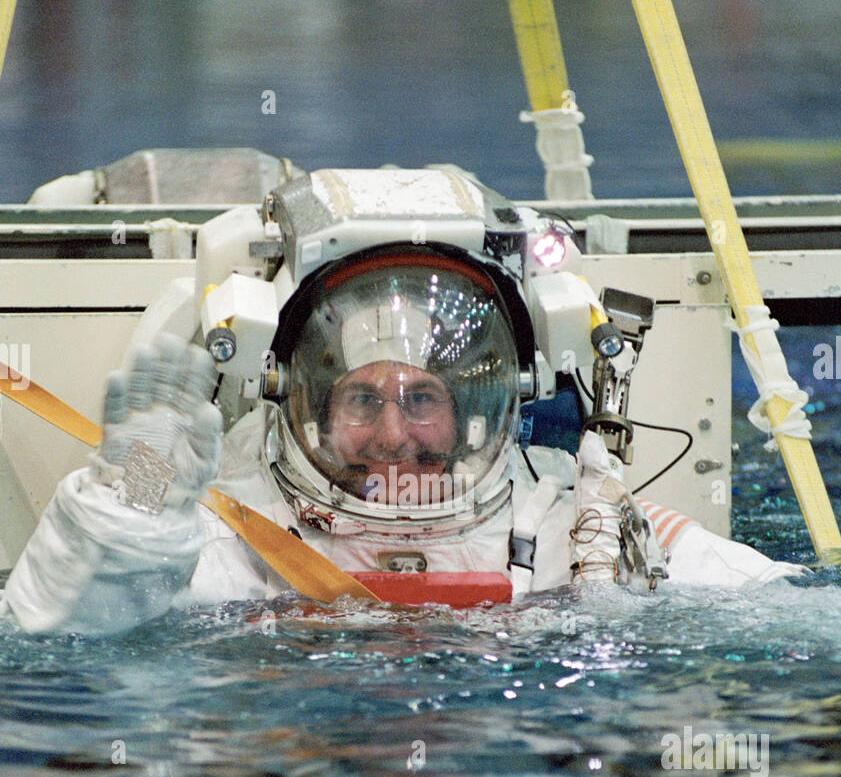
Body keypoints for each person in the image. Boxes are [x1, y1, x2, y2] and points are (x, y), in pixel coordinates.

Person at [0, 174, 802, 636]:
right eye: (361, 397)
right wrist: (137, 492)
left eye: (423, 397)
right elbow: (64, 637)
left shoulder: (577, 529)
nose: (394, 433)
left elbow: (788, 623)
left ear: (493, 399)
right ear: (295, 396)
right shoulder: (224, 536)